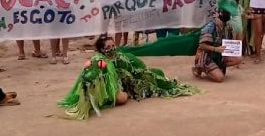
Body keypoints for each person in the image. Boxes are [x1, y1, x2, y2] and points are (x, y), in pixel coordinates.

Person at [59, 35, 198, 119]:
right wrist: (91, 69)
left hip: (130, 80)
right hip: (114, 85)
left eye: (113, 45)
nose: (112, 48)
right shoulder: (99, 59)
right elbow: (93, 67)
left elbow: (138, 66)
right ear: (102, 49)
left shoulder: (122, 56)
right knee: (122, 99)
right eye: (109, 46)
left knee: (156, 75)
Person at [192, 0, 243, 82]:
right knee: (219, 78)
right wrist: (216, 49)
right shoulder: (211, 26)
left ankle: (215, 67)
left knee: (238, 59)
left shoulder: (228, 26)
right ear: (221, 12)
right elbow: (202, 45)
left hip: (219, 55)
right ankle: (200, 67)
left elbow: (229, 42)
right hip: (206, 55)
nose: (229, 15)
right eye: (228, 13)